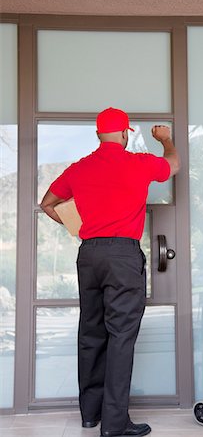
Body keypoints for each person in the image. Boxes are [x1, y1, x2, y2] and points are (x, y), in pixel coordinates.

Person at [40, 107, 180, 437]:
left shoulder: (79, 169)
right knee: (121, 336)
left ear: (98, 134)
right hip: (122, 256)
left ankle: (90, 414)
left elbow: (47, 203)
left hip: (89, 255)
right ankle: (114, 423)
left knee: (91, 332)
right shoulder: (138, 163)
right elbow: (174, 165)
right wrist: (166, 140)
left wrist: (76, 225)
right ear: (124, 133)